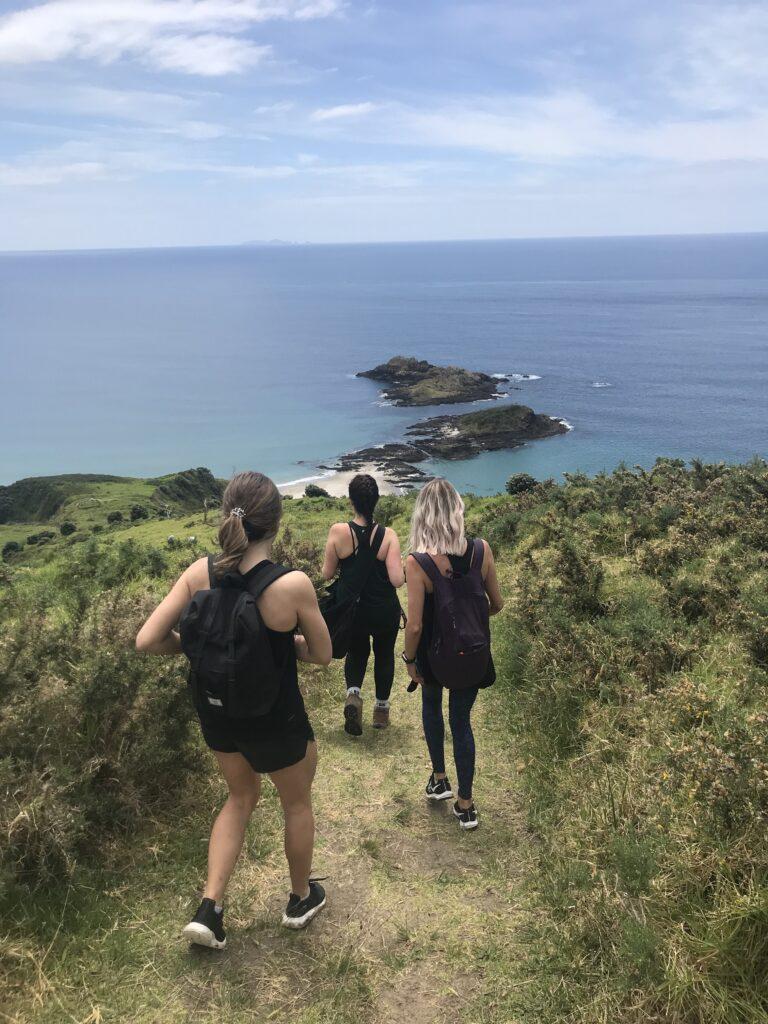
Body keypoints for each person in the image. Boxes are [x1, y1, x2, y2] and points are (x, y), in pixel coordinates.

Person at [136, 471, 332, 948]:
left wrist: (206, 649)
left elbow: (147, 640)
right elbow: (323, 655)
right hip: (276, 717)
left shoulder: (198, 573)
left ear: (228, 515)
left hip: (219, 714)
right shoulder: (292, 585)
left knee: (239, 799)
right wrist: (286, 646)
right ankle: (300, 898)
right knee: (296, 803)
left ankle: (210, 909)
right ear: (276, 524)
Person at [402, 478, 504, 830]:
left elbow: (414, 627)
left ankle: (439, 779)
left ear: (423, 516)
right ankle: (466, 804)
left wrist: (410, 660)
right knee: (461, 723)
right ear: (458, 511)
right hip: (472, 652)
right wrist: (468, 619)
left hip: (434, 655)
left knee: (431, 706)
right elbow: (497, 604)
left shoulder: (416, 562)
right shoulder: (481, 550)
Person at [321, 473, 405, 735]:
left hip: (352, 611)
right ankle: (381, 709)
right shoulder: (388, 535)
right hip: (383, 610)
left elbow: (326, 573)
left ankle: (354, 696)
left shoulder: (338, 531)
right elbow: (397, 580)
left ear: (351, 501)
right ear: (376, 501)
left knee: (356, 653)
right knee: (383, 655)